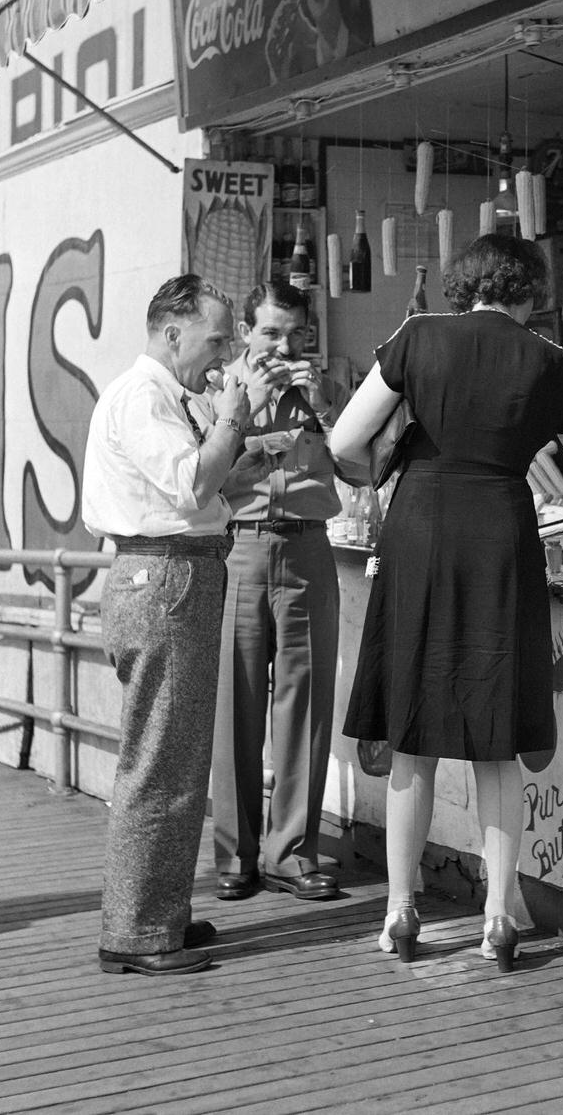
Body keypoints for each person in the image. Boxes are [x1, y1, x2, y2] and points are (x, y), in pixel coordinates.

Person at [327, 234, 563, 971]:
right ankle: (497, 915)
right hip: (499, 535)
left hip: (419, 529)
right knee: (497, 737)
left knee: (412, 733)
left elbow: (344, 441)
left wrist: (400, 469)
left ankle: (399, 907)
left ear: (465, 284)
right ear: (529, 291)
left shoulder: (415, 338)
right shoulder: (552, 363)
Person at [81, 274, 250, 976]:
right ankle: (139, 931)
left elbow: (191, 490)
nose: (225, 352)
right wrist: (235, 420)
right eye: (217, 338)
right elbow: (189, 485)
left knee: (174, 756)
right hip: (166, 581)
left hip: (168, 576)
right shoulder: (145, 396)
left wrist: (239, 443)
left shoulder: (155, 395)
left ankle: (159, 913)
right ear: (173, 331)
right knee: (161, 760)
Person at [209, 280, 344, 904]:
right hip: (238, 548)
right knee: (235, 703)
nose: (283, 346)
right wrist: (249, 415)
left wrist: (326, 407)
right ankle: (235, 853)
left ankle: (291, 851)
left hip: (310, 548)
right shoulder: (215, 391)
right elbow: (202, 482)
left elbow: (364, 468)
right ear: (244, 332)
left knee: (307, 704)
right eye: (270, 333)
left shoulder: (322, 392)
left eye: (294, 335)